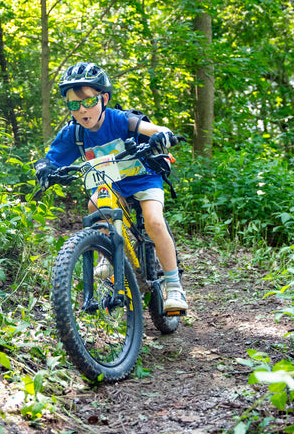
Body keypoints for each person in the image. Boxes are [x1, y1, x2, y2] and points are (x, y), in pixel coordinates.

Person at [34, 61, 188, 314]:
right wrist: (44, 169)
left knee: (153, 221)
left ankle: (174, 286)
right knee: (94, 205)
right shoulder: (75, 134)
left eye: (89, 102)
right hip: (110, 183)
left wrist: (162, 134)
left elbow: (151, 129)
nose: (82, 109)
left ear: (104, 98)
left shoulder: (118, 119)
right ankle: (109, 254)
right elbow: (50, 159)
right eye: (74, 104)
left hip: (143, 178)